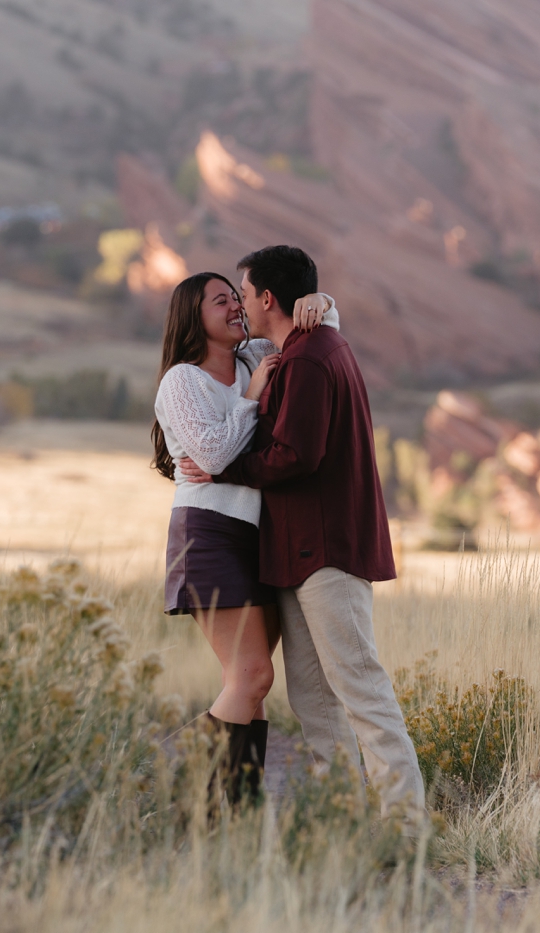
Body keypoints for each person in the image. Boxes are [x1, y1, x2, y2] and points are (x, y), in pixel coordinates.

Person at [178, 245, 425, 822]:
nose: (240, 304)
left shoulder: (312, 358)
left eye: (243, 293)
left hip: (325, 553)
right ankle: (338, 821)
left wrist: (223, 467)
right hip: (296, 555)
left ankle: (405, 828)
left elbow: (296, 455)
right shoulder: (299, 350)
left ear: (267, 298)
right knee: (315, 703)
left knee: (360, 687)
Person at [151, 270, 337, 804]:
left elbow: (320, 327)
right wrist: (252, 397)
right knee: (253, 676)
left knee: (249, 690)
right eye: (220, 301)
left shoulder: (254, 354)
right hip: (207, 534)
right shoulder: (182, 381)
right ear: (194, 316)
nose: (236, 306)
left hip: (259, 536)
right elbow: (213, 456)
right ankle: (166, 783)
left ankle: (231, 816)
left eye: (238, 297)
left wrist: (319, 300)